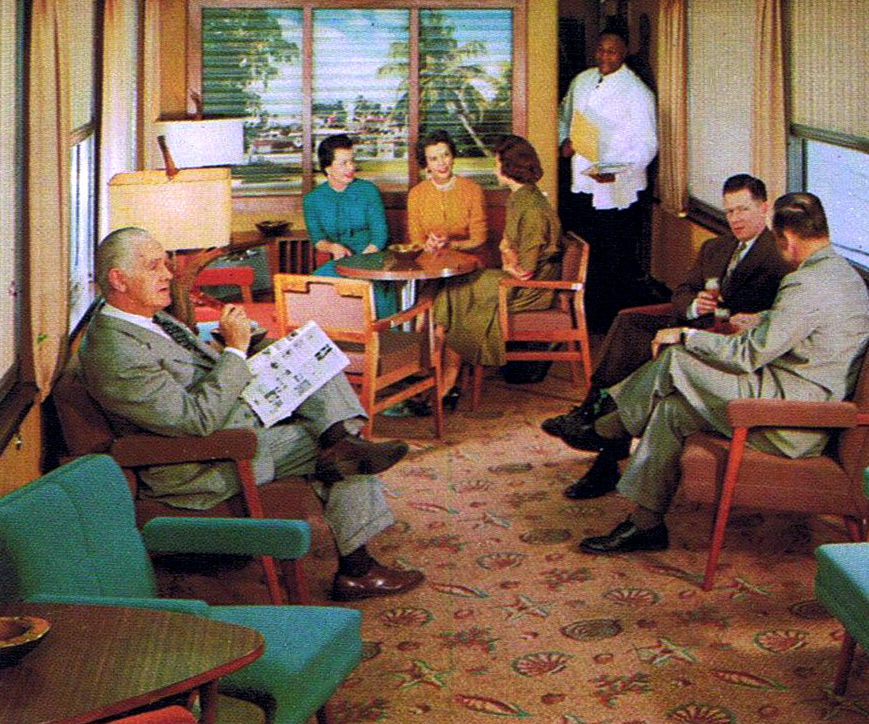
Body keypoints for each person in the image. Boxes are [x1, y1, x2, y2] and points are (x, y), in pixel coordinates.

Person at [78, 227, 426, 601]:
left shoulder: (144, 318)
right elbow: (194, 420)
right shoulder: (114, 351)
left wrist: (235, 342)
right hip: (202, 461)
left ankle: (340, 440)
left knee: (310, 356)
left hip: (228, 419)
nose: (167, 274)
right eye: (153, 267)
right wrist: (235, 351)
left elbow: (186, 369)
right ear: (119, 280)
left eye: (165, 264)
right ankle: (357, 566)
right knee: (332, 448)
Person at [549, 192, 869, 554]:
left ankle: (604, 428)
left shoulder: (805, 284)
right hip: (799, 398)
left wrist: (688, 336)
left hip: (792, 419)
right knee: (672, 410)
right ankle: (645, 524)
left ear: (787, 238)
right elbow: (811, 322)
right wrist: (763, 319)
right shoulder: (841, 273)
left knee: (676, 360)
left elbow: (747, 356)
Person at [542, 173, 792, 500]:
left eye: (743, 210)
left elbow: (777, 320)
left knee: (644, 361)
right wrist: (693, 304)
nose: (735, 219)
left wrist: (736, 320)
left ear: (764, 207)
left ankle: (601, 443)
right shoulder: (715, 247)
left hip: (724, 343)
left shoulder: (781, 256)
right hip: (691, 325)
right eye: (730, 211)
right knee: (630, 324)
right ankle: (593, 406)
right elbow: (683, 290)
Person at [433, 135, 560, 400]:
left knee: (459, 293)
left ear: (509, 168)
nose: (494, 170)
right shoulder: (520, 198)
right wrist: (507, 254)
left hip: (530, 289)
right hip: (516, 278)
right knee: (453, 288)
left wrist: (506, 252)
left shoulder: (531, 208)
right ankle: (444, 377)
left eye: (497, 164)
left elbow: (525, 271)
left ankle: (447, 380)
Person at [557, 29, 658, 330]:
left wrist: (617, 171)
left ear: (624, 53)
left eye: (611, 51)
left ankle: (606, 323)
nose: (604, 56)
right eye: (600, 49)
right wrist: (564, 141)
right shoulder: (582, 80)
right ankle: (580, 314)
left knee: (612, 256)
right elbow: (564, 115)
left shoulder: (637, 92)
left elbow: (648, 144)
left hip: (616, 188)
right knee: (582, 248)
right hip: (582, 183)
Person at [302, 133, 395, 316]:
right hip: (340, 261)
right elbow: (317, 239)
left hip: (374, 257)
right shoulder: (312, 199)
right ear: (327, 168)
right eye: (343, 163)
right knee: (314, 288)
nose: (351, 167)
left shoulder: (368, 190)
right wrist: (332, 247)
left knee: (370, 293)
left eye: (352, 161)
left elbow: (380, 235)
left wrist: (361, 262)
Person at [405, 129, 489, 259]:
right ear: (426, 164)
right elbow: (416, 240)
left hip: (467, 260)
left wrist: (450, 245)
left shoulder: (473, 190)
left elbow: (479, 239)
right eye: (433, 159)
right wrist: (426, 245)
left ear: (453, 157)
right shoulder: (416, 194)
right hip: (429, 259)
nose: (441, 163)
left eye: (445, 155)